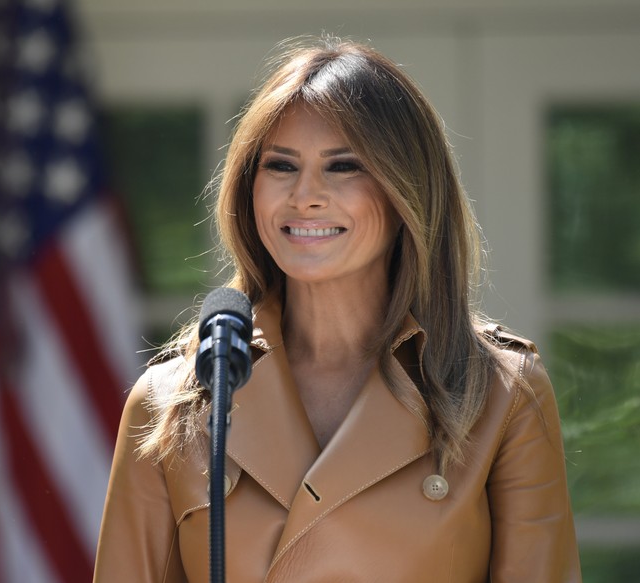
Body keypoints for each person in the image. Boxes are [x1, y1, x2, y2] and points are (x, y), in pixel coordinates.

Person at [93, 37, 581, 582]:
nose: (305, 196)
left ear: (407, 192)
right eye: (280, 166)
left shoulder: (502, 395)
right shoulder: (174, 402)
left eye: (343, 166)